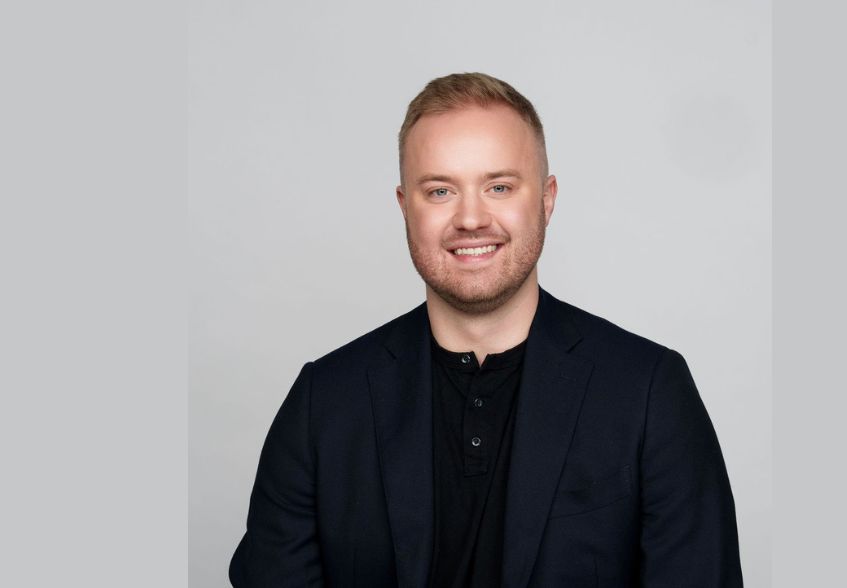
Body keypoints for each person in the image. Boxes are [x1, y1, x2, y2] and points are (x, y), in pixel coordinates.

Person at [229, 72, 743, 587]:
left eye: (499, 187)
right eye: (440, 191)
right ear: (405, 207)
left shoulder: (649, 392)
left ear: (546, 199)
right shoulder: (322, 404)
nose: (471, 219)